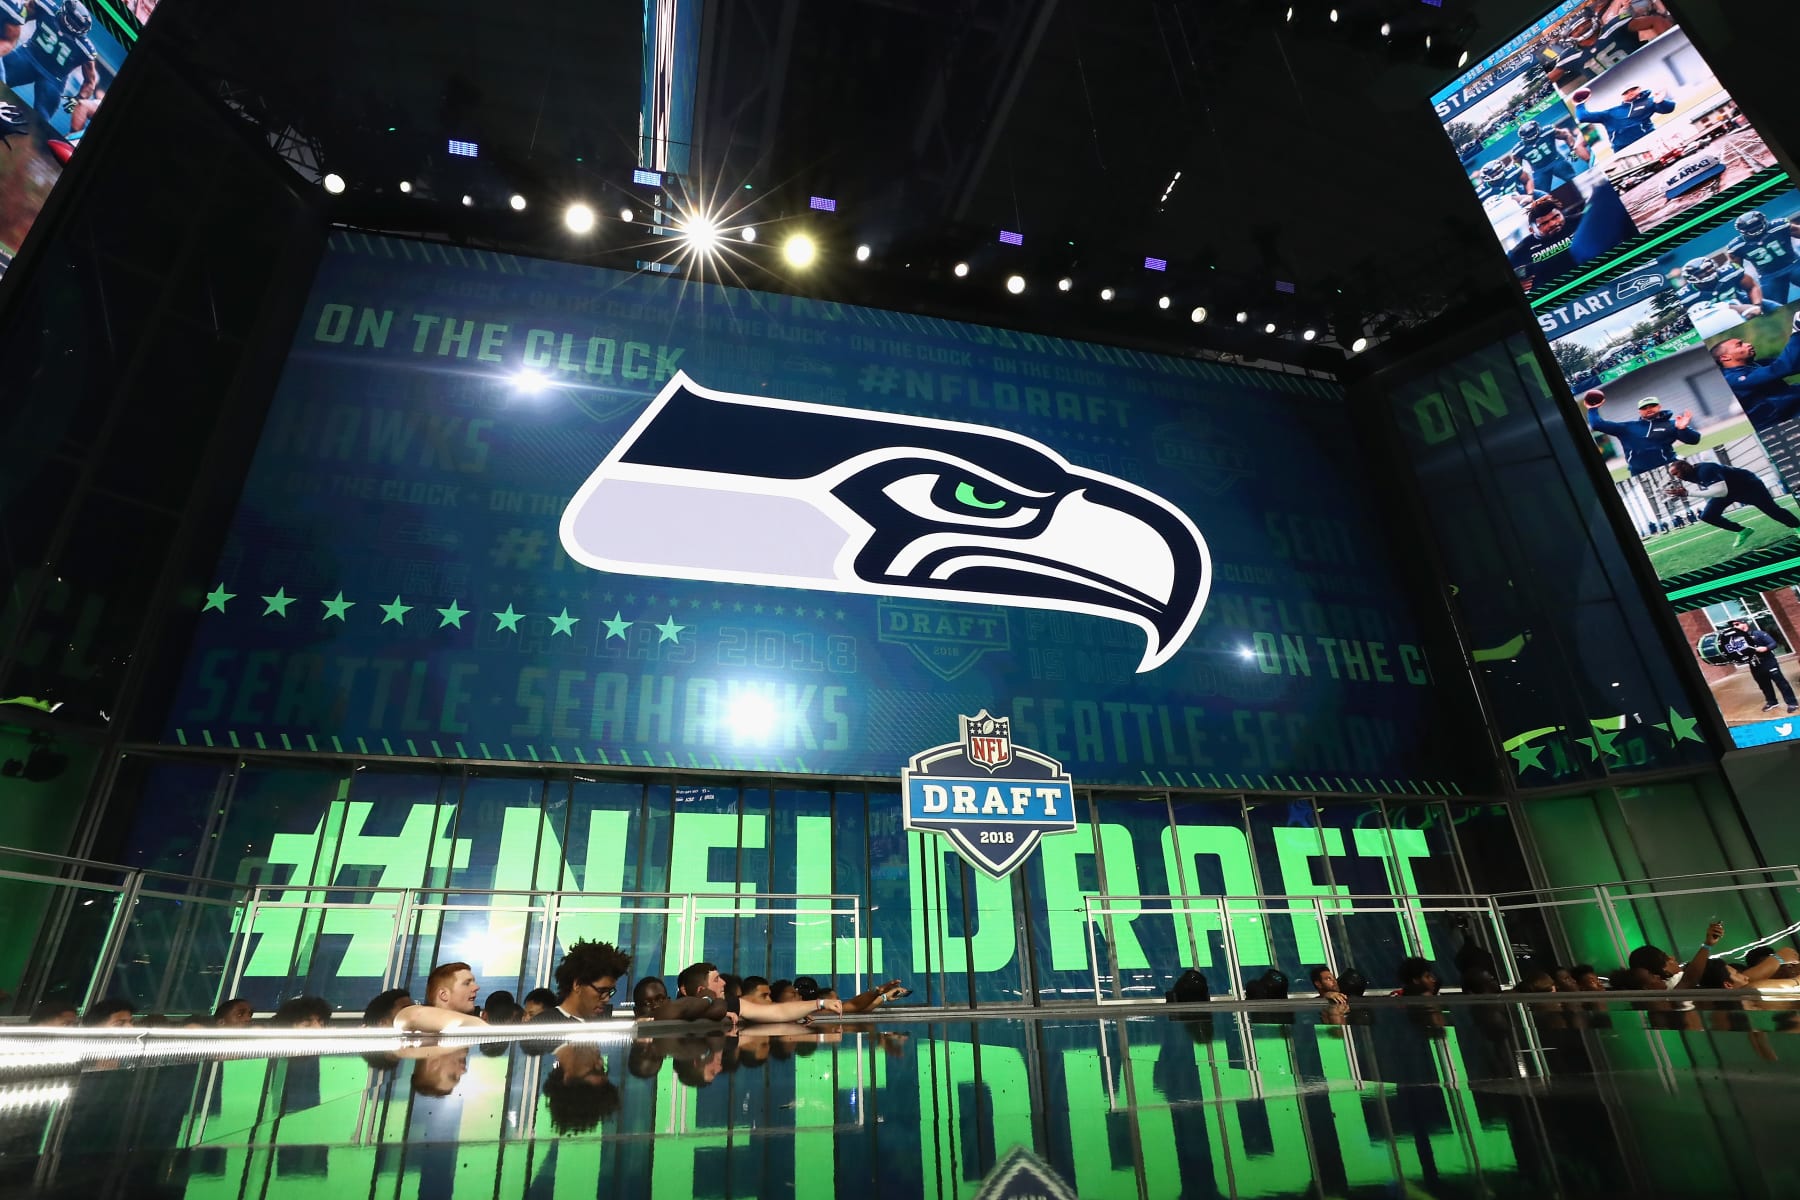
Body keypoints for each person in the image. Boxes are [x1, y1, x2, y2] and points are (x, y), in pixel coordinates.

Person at [1667, 460, 1800, 547]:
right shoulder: (1690, 475)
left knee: (1772, 510)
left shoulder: (1705, 469)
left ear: (1684, 466)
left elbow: (1720, 491)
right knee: (1707, 516)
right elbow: (1721, 491)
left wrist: (1688, 493)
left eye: (1676, 473)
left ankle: (1797, 526)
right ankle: (1743, 530)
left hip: (1749, 486)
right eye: (1674, 475)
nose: (1677, 476)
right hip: (1729, 491)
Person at [10, 0, 100, 123]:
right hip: (29, 56)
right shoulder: (46, 9)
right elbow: (18, 18)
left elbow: (90, 82)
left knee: (41, 119)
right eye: (73, 21)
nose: (74, 26)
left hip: (53, 78)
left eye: (78, 25)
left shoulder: (85, 48)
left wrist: (79, 99)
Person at [676, 962, 844, 1022]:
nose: (723, 983)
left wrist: (820, 1004)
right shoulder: (675, 1009)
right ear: (701, 990)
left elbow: (778, 1011)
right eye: (716, 980)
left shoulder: (732, 1004)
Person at [1713, 314, 1800, 431]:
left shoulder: (1757, 364)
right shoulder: (1732, 379)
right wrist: (1796, 332)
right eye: (1739, 345)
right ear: (1725, 357)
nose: (1748, 344)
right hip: (1779, 426)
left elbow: (1793, 365)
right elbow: (1783, 367)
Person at [1583, 392, 1698, 476]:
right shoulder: (1627, 427)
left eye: (1652, 406)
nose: (1648, 409)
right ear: (1639, 411)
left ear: (1659, 407)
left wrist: (1683, 429)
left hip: (1668, 467)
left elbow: (1694, 440)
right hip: (1638, 472)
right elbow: (1597, 424)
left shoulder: (1673, 424)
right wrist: (1592, 409)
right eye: (1644, 408)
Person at [532, 939, 632, 1024]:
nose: (606, 999)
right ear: (577, 985)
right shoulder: (543, 1026)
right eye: (601, 991)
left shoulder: (602, 1026)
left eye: (610, 992)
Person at [1718, 616, 1799, 713]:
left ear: (1745, 624)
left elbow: (1773, 644)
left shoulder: (1759, 634)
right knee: (1764, 685)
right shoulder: (1737, 640)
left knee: (1781, 683)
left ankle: (1792, 703)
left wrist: (1765, 648)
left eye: (1737, 624)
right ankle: (1772, 702)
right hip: (1754, 665)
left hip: (1768, 662)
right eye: (1733, 625)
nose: (1734, 627)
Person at [541, 1042, 621, 1134]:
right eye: (603, 1069)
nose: (601, 1061)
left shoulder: (539, 1037)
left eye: (595, 1071)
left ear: (568, 1078)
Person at [1727, 211, 1800, 309]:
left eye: (1756, 224)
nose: (1754, 228)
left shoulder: (1779, 226)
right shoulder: (1736, 247)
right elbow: (1737, 271)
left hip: (1794, 265)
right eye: (1749, 227)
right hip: (1769, 276)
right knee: (1773, 310)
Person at [1570, 85, 1675, 152]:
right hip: (1622, 149)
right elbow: (1583, 117)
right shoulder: (1611, 112)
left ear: (1639, 89)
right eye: (1626, 92)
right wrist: (1579, 105)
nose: (1630, 93)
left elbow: (1669, 109)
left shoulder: (1649, 101)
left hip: (1648, 141)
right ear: (1622, 96)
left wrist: (1661, 101)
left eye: (1633, 89)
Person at [393, 962, 488, 1033]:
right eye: (467, 983)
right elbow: (413, 1016)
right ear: (444, 994)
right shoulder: (410, 1015)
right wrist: (484, 1027)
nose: (476, 987)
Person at [1627, 920, 1723, 989]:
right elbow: (1690, 978)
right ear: (1663, 969)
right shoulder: (1671, 987)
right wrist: (1707, 945)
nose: (1673, 957)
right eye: (1667, 958)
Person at [1512, 120, 1588, 196]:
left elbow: (1566, 135)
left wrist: (1573, 151)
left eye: (1532, 131)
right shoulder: (1518, 149)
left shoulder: (1548, 131)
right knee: (1541, 195)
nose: (1531, 135)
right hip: (1540, 170)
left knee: (1574, 180)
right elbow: (1517, 168)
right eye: (1528, 134)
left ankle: (1586, 193)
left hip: (1556, 161)